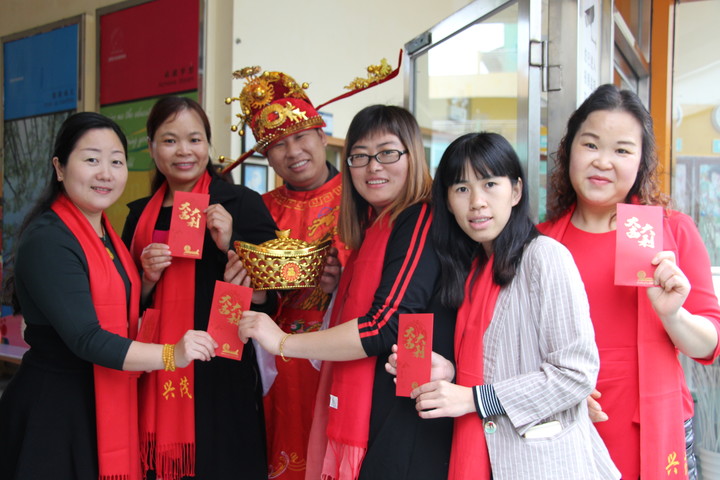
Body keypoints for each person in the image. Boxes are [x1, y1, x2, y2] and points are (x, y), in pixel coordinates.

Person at [239, 105, 456, 480]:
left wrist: (283, 343)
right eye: (360, 156)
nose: (373, 167)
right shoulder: (373, 222)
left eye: (387, 153)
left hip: (398, 404)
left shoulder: (419, 217)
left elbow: (385, 325)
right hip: (368, 392)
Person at [387, 132, 619, 479]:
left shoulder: (545, 257)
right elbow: (497, 367)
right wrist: (450, 373)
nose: (477, 202)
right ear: (447, 201)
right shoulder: (473, 268)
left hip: (539, 464)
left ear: (516, 191)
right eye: (461, 188)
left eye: (490, 184)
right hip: (477, 452)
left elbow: (576, 374)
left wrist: (473, 399)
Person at [0, 112, 217, 480]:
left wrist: (145, 280)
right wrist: (171, 355)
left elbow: (115, 306)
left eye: (116, 162)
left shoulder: (104, 234)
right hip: (56, 413)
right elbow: (86, 337)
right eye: (91, 159)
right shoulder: (49, 238)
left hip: (100, 398)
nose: (106, 173)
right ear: (59, 168)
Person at [538, 83, 720, 479]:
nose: (603, 161)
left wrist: (673, 315)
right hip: (565, 429)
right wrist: (560, 392)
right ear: (569, 150)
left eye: (621, 150)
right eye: (590, 144)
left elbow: (709, 344)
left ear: (641, 161)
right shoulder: (539, 244)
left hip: (653, 427)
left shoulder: (674, 232)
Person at [121, 96, 278, 480]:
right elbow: (122, 303)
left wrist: (231, 242)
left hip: (223, 369)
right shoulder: (138, 216)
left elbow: (274, 297)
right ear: (152, 147)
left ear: (208, 144)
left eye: (194, 139)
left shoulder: (241, 203)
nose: (183, 151)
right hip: (158, 364)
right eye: (169, 140)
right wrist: (146, 280)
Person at [223, 68, 350, 479]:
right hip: (272, 361)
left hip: (340, 353)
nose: (292, 151)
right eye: (277, 144)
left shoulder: (358, 198)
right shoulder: (255, 208)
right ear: (265, 155)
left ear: (321, 134)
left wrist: (341, 284)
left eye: (299, 136)